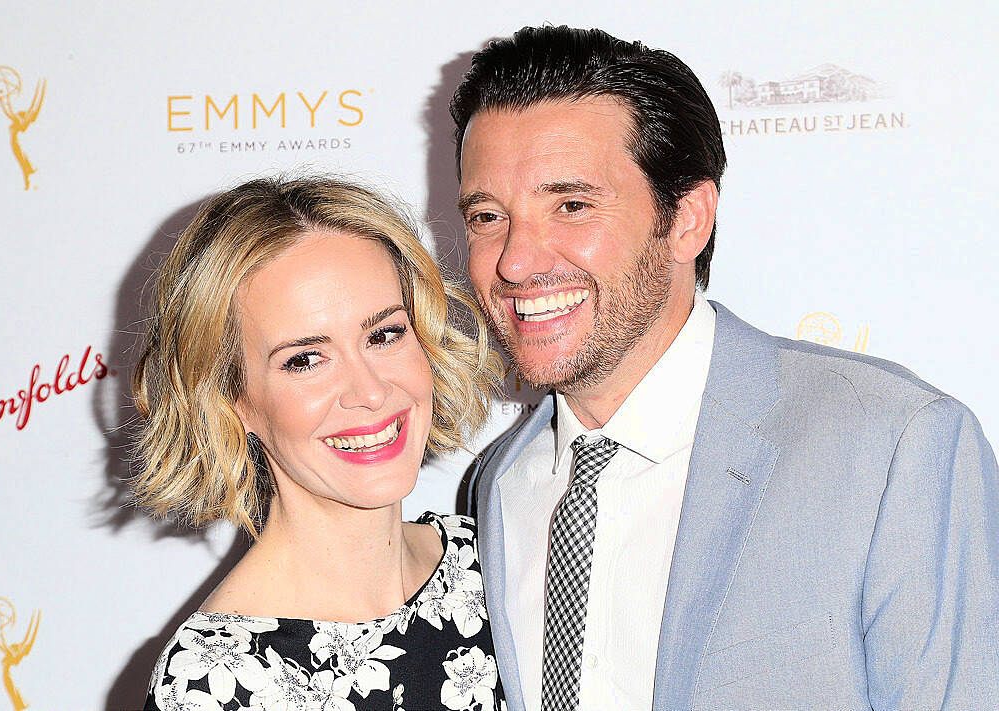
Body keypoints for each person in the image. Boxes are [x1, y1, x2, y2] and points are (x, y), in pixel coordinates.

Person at [451, 25, 999, 711]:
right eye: (487, 215)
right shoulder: (495, 483)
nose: (516, 260)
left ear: (687, 218)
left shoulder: (895, 447)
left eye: (572, 205)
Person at [132, 177, 506, 710]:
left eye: (383, 335)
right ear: (231, 398)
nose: (371, 392)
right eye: (305, 359)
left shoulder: (490, 562)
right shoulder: (215, 686)